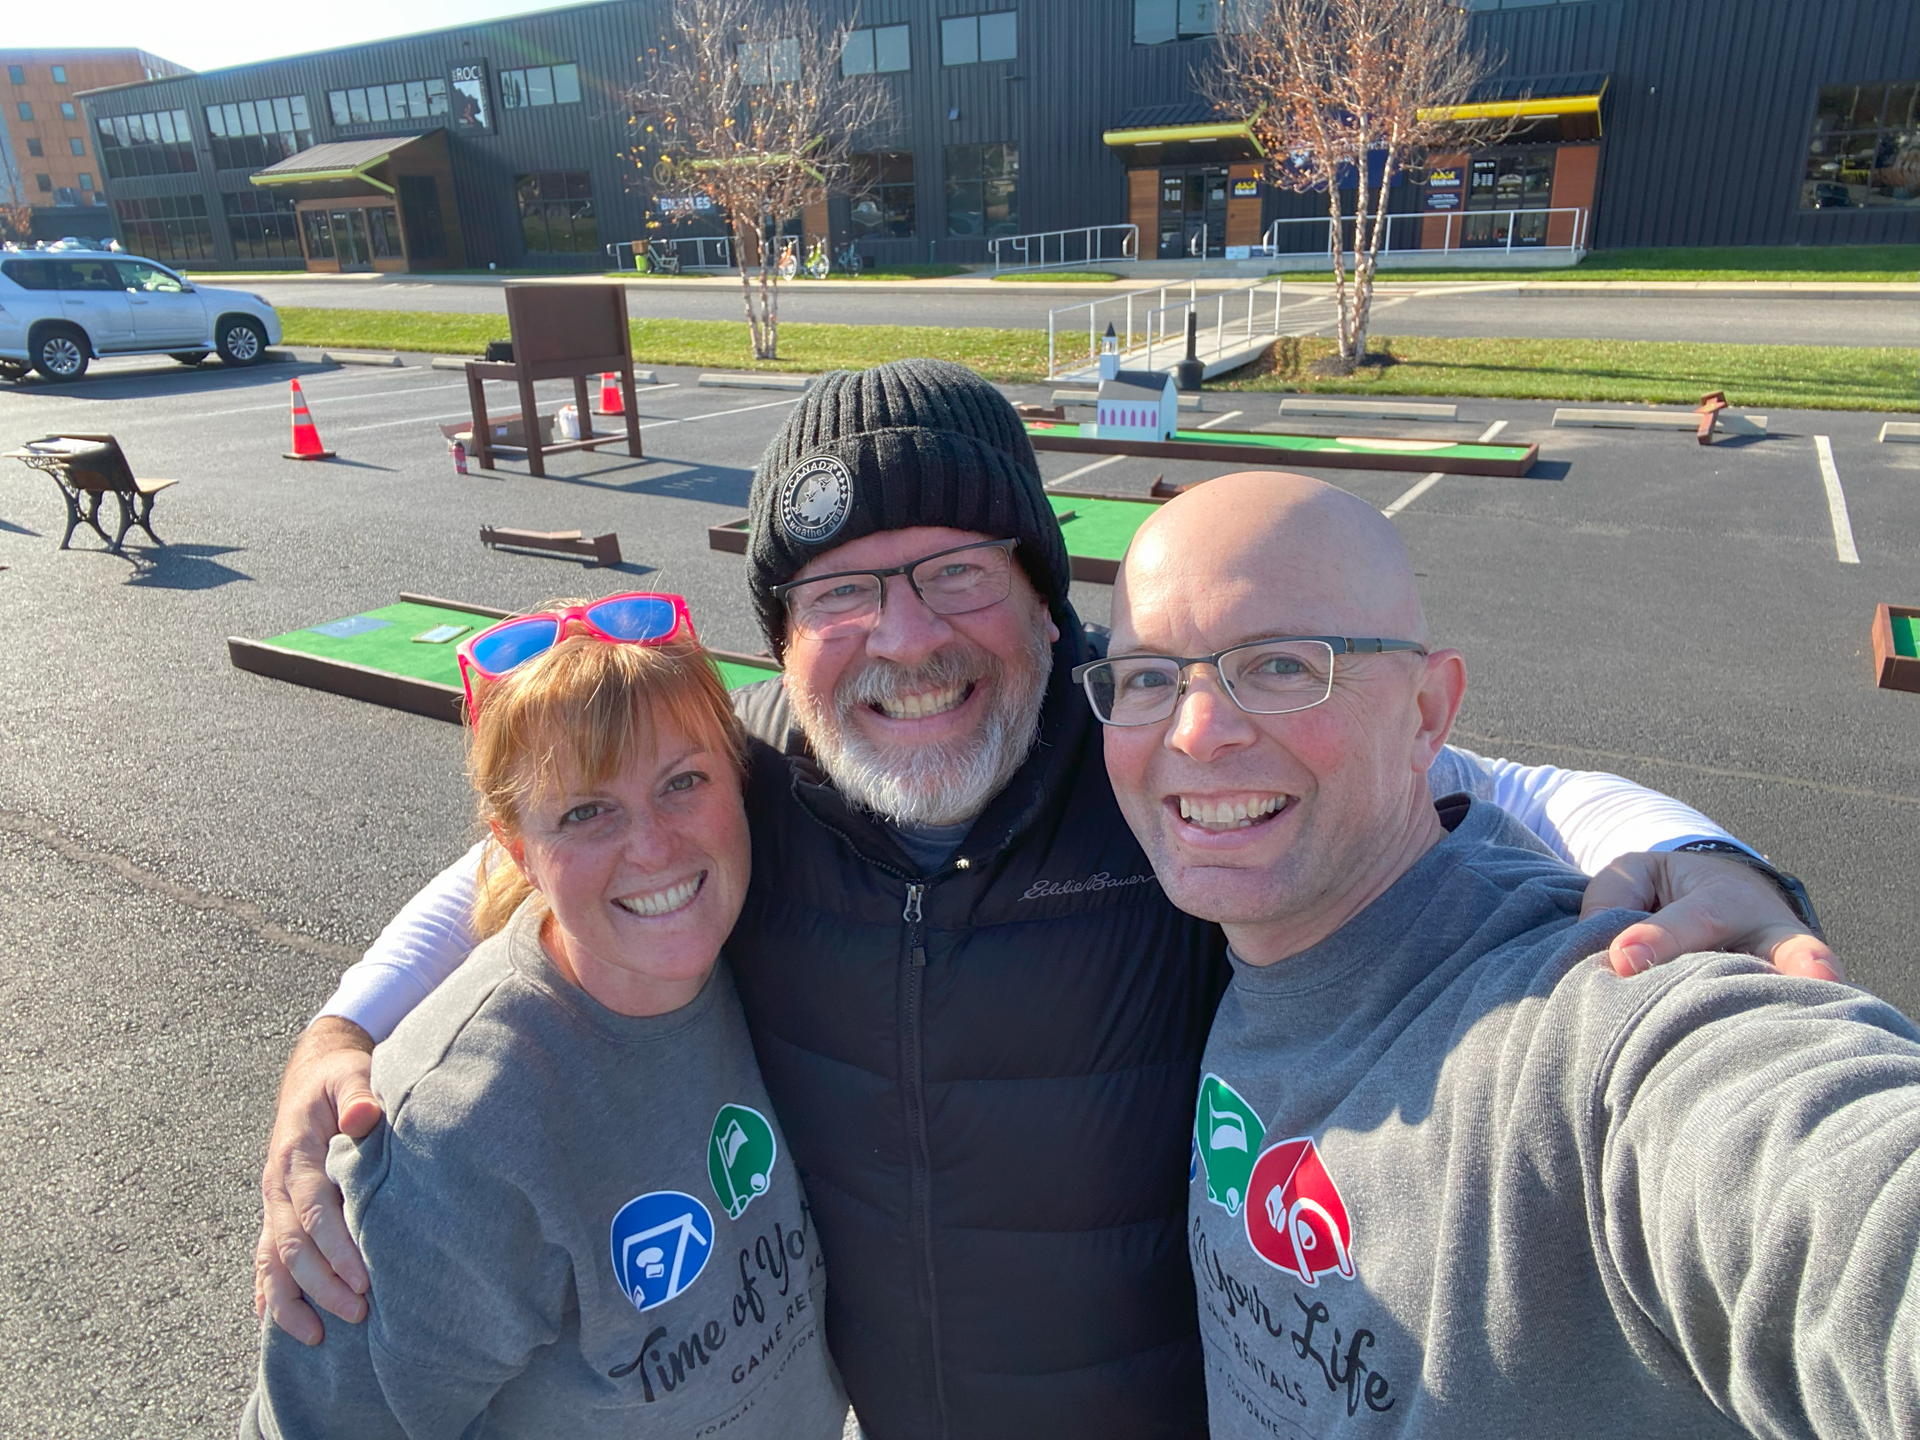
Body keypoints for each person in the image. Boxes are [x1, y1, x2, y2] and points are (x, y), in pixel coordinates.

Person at [255, 361, 1832, 1440]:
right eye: (845, 593)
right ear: (787, 643)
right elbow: (535, 848)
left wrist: (1710, 864)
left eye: (956, 572)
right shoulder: (759, 790)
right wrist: (342, 1027)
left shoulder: (1161, 763)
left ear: (1042, 596)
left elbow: (1476, 775)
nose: (906, 637)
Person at [1084, 471, 1919, 1438]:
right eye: (1149, 676)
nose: (1196, 731)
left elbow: (1838, 1198)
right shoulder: (1259, 935)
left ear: (1429, 714)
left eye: (1281, 665)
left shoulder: (1584, 1027)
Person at [243, 596, 845, 1440]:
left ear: (737, 779)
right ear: (516, 848)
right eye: (585, 812)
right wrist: (333, 1033)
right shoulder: (456, 1136)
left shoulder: (760, 946)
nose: (654, 846)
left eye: (683, 783)